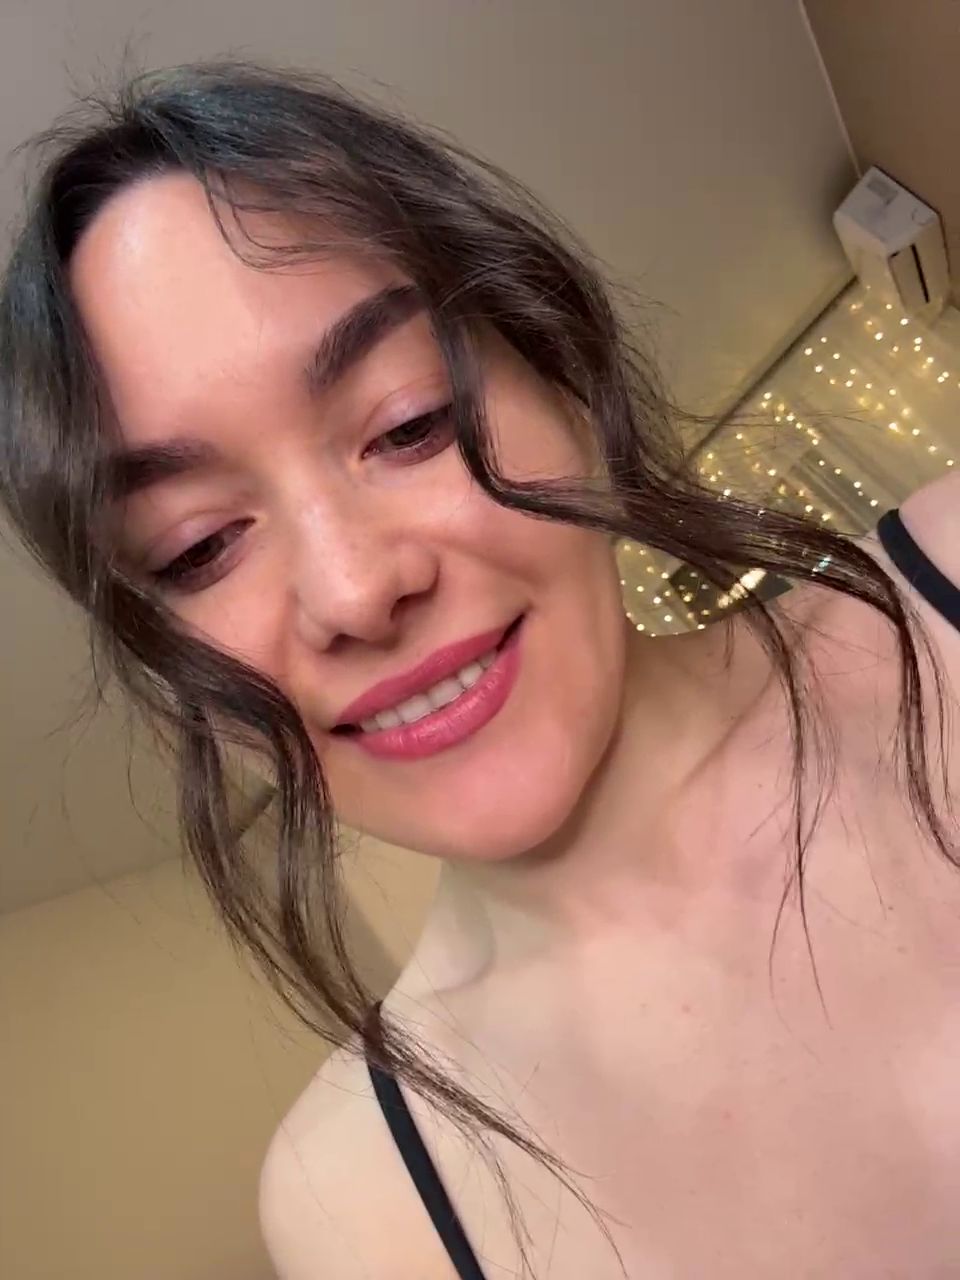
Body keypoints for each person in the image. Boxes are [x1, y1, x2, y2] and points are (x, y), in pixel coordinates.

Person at [1, 61, 958, 1280]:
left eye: (408, 423)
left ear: (567, 375)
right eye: (196, 548)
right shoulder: (363, 1197)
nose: (355, 588)